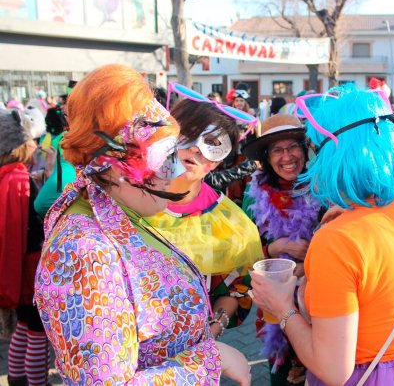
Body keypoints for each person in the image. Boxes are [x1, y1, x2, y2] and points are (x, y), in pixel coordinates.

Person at [34, 64, 250, 385]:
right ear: (119, 164)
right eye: (165, 156)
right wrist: (209, 359)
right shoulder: (85, 251)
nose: (177, 172)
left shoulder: (112, 207)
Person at [251, 85, 394, 386]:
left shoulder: (337, 240)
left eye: (315, 147)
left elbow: (333, 370)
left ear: (333, 154)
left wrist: (283, 309)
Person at [145, 93, 263, 339]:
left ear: (218, 162)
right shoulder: (129, 200)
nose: (196, 148)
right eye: (188, 133)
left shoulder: (230, 223)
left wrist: (214, 328)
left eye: (212, 143)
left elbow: (236, 290)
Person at [242, 113, 324, 385]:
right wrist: (275, 247)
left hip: (320, 299)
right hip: (275, 305)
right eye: (277, 149)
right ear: (267, 156)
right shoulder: (254, 193)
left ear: (305, 149)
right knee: (280, 373)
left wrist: (309, 262)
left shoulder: (324, 187)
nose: (286, 157)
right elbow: (244, 253)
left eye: (293, 147)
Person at [0, 109, 50, 386]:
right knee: (38, 333)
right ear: (18, 146)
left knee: (23, 328)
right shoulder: (19, 178)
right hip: (28, 269)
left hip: (17, 272)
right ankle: (36, 383)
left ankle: (17, 378)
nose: (35, 145)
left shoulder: (7, 175)